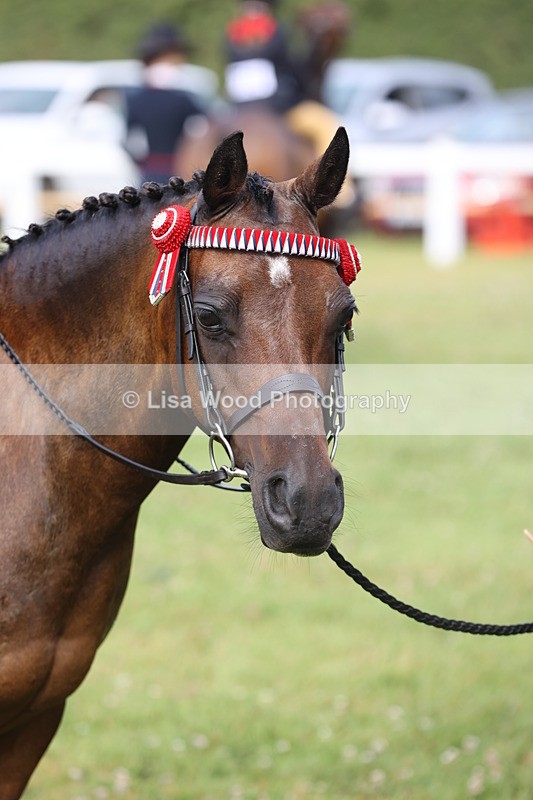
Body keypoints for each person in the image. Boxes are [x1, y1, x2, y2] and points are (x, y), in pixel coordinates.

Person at [125, 22, 204, 183]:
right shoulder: (183, 99)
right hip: (178, 174)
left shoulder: (135, 99)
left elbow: (129, 141)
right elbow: (202, 130)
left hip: (147, 175)